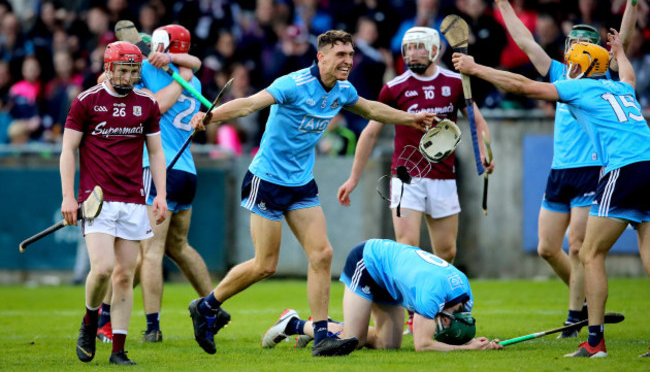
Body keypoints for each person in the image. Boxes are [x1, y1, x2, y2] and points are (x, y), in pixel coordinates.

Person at [187, 30, 435, 357]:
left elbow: (372, 110)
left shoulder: (343, 90)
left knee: (322, 255)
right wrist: (211, 116)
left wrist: (410, 119)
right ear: (321, 57)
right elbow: (248, 104)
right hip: (268, 180)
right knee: (265, 264)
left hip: (301, 182)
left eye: (349, 55)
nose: (347, 61)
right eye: (340, 55)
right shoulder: (292, 84)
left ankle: (321, 337)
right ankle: (206, 306)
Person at [452, 29, 650, 358]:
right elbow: (627, 73)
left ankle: (595, 342)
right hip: (648, 163)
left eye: (572, 62)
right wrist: (622, 54)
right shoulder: (620, 87)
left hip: (624, 168)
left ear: (581, 68)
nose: (567, 65)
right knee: (645, 240)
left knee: (590, 255)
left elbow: (522, 86)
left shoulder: (579, 87)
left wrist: (476, 68)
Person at [491, 0, 642, 338]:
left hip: (592, 169)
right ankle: (587, 300)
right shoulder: (560, 74)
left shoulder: (604, 79)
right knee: (547, 247)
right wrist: (504, 5)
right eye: (571, 41)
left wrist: (633, 2)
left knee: (578, 246)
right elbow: (526, 43)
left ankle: (576, 318)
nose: (573, 48)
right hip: (560, 171)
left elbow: (625, 40)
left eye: (581, 43)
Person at [337, 26, 494, 334]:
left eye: (420, 48)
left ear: (434, 50)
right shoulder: (394, 87)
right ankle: (413, 315)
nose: (413, 54)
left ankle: (438, 309)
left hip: (444, 177)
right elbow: (370, 132)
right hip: (406, 177)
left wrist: (485, 153)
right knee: (406, 246)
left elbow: (476, 120)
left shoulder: (454, 83)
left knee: (446, 252)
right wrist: (354, 177)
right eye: (408, 48)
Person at [61, 41, 168, 365]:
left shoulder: (147, 104)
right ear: (108, 68)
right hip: (97, 201)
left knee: (124, 275)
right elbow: (68, 150)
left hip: (133, 200)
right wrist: (68, 195)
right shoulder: (86, 102)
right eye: (122, 69)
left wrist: (160, 194)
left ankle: (118, 350)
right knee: (104, 269)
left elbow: (157, 152)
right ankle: (90, 319)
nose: (128, 76)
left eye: (134, 70)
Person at [261, 239, 503, 352]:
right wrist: (468, 349)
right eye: (445, 324)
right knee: (353, 340)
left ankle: (323, 327)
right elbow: (423, 345)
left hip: (390, 280)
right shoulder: (431, 297)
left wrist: (475, 342)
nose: (444, 327)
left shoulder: (464, 295)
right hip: (367, 263)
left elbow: (448, 332)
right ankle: (294, 324)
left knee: (389, 345)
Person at [131, 24, 214, 343]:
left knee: (149, 251)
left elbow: (156, 107)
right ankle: (214, 305)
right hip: (187, 172)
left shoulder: (159, 74)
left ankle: (152, 328)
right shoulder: (191, 78)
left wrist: (160, 63)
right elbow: (194, 63)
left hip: (159, 168)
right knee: (178, 246)